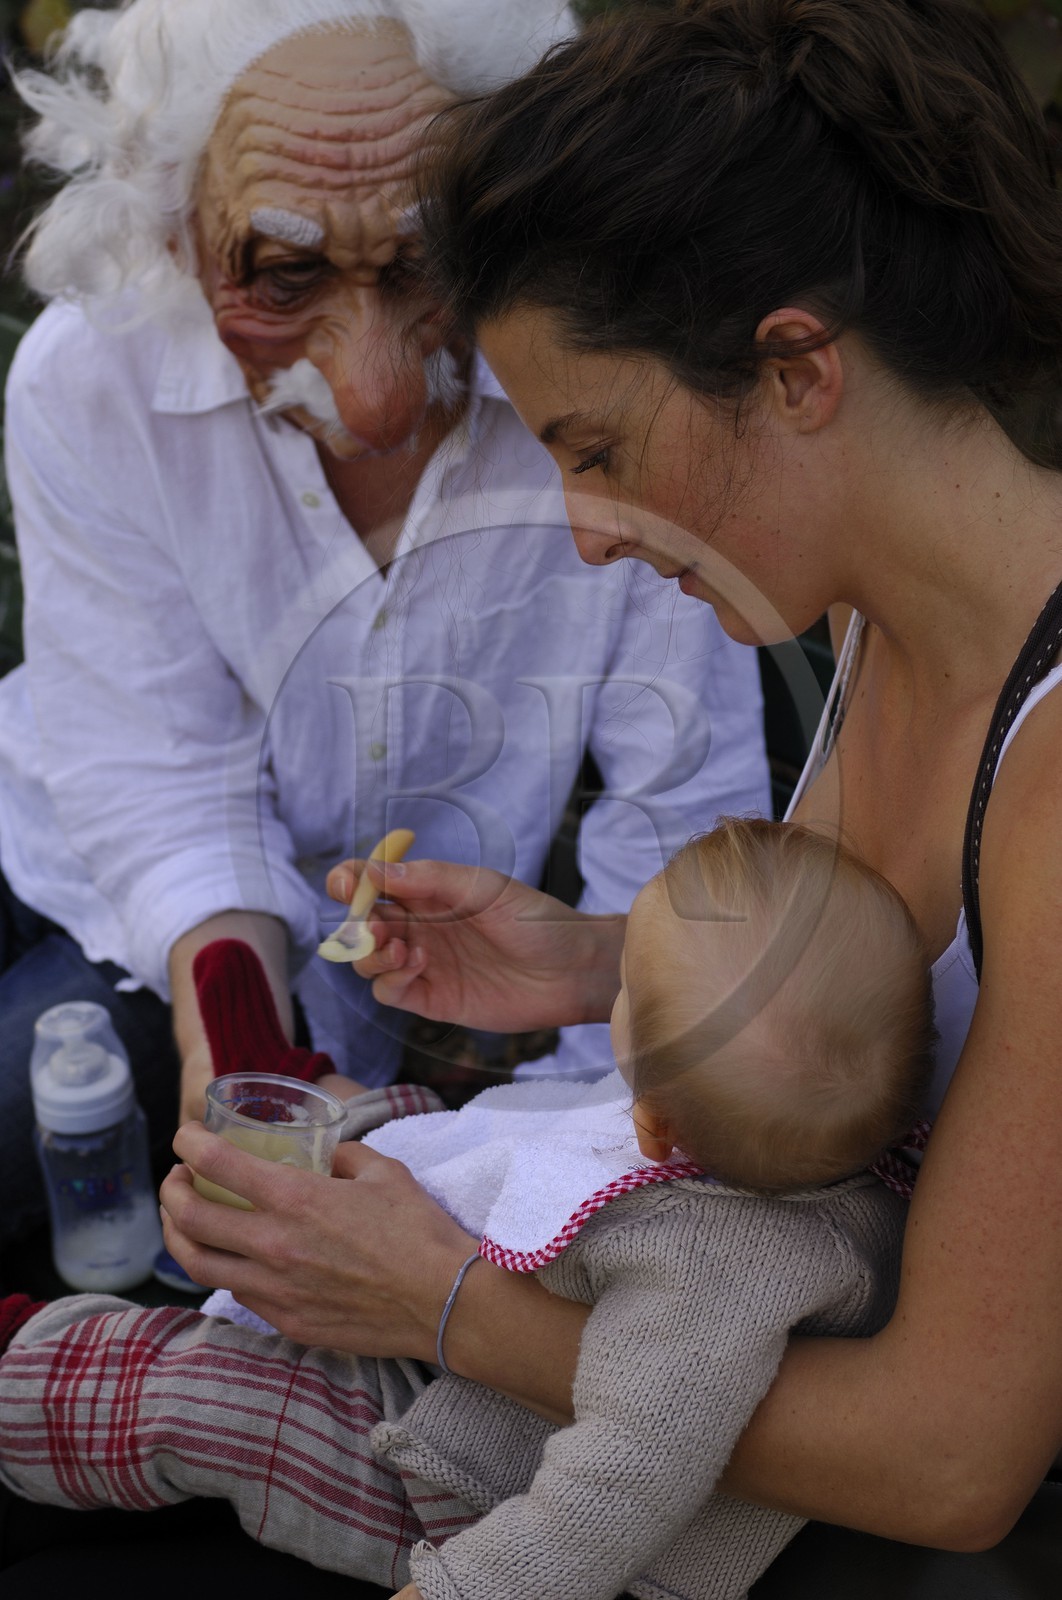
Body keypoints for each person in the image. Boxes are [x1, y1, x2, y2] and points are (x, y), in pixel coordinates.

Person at [155, 0, 1062, 1563]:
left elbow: (950, 1462)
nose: (582, 534)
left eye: (597, 449)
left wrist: (439, 1300)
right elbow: (875, 1028)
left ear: (794, 371)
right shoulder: (871, 614)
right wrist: (598, 968)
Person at [0, 0, 770, 1249]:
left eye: (426, 262)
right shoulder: (91, 383)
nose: (375, 393)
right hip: (111, 898)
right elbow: (158, 778)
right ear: (172, 226)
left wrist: (568, 1147)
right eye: (283, 273)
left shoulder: (615, 384)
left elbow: (682, 811)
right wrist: (239, 1049)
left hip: (459, 971)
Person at [0, 819, 931, 1600]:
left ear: (653, 1126)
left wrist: (458, 1591)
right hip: (486, 1357)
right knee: (461, 1130)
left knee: (201, 1392)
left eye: (624, 986)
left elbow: (618, 1488)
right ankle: (303, 1089)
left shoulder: (713, 1277)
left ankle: (26, 1370)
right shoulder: (783, 1141)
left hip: (451, 1472)